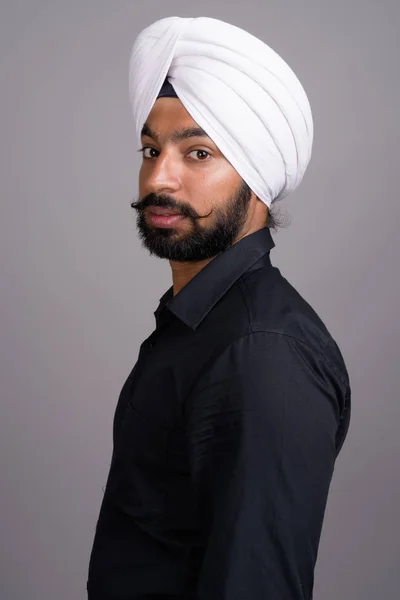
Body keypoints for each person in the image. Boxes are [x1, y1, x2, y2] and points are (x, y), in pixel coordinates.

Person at [87, 16, 351, 600]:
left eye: (198, 152)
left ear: (256, 178)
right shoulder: (199, 323)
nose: (159, 177)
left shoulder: (261, 356)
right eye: (151, 148)